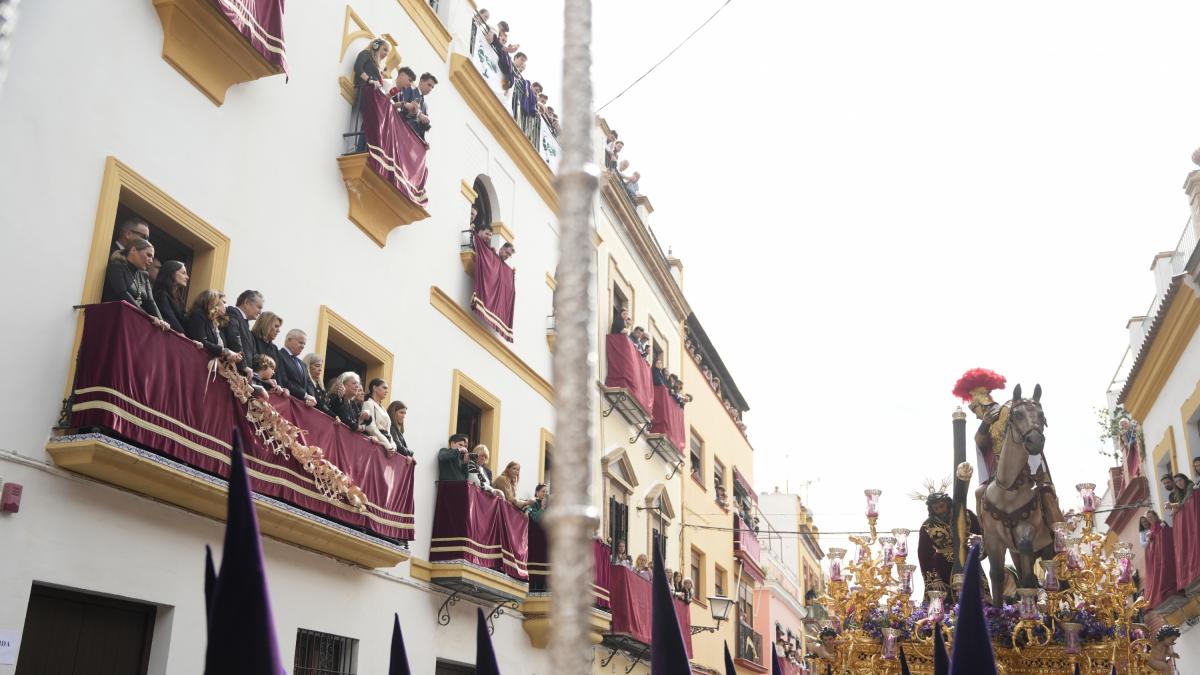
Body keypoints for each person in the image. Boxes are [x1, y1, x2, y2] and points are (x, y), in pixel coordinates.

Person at [916, 486, 982, 597]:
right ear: (931, 510)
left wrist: (978, 539)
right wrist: (935, 578)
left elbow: (982, 534)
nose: (940, 511)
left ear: (948, 503)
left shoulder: (966, 515)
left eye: (942, 506)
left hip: (967, 560)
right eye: (936, 509)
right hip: (942, 567)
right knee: (943, 600)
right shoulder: (927, 526)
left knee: (975, 596)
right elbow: (924, 555)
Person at [104, 239, 165, 323]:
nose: (151, 261)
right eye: (148, 255)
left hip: (133, 321)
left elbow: (151, 302)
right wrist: (146, 317)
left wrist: (162, 321)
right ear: (133, 250)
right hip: (114, 318)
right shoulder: (116, 267)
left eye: (152, 257)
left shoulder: (144, 275)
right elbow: (123, 294)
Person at [349, 38, 391, 153]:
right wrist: (369, 80)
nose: (386, 54)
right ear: (376, 46)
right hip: (365, 91)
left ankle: (363, 147)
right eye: (384, 49)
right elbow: (358, 67)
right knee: (363, 120)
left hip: (373, 97)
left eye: (387, 52)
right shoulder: (365, 54)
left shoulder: (378, 67)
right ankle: (355, 147)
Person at [274, 329, 319, 408]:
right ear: (289, 340)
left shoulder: (302, 364)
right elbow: (284, 381)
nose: (303, 346)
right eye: (300, 342)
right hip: (285, 403)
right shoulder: (279, 354)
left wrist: (311, 397)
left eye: (304, 344)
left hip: (301, 406)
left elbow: (309, 383)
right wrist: (304, 395)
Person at [224, 290, 262, 369]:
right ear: (246, 302)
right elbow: (234, 339)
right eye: (258, 307)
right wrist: (243, 366)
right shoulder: (233, 313)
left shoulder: (245, 323)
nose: (260, 312)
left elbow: (253, 355)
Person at [357, 378, 397, 452]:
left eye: (387, 389)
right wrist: (387, 444)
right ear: (374, 388)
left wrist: (393, 446)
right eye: (384, 388)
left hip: (385, 445)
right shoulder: (368, 404)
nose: (387, 391)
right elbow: (371, 428)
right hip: (374, 446)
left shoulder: (383, 409)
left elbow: (388, 430)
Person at [151, 260, 189, 332]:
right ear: (172, 273)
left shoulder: (179, 299)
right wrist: (183, 335)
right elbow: (170, 319)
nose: (187, 277)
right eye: (183, 273)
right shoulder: (161, 294)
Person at [400, 72, 437, 141]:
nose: (430, 89)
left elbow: (420, 130)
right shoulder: (409, 90)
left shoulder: (425, 106)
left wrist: (425, 125)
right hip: (400, 130)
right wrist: (418, 114)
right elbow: (401, 108)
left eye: (432, 87)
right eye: (429, 85)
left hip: (411, 140)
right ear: (421, 81)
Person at [250, 311, 284, 376]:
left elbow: (278, 373)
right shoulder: (251, 338)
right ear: (266, 324)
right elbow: (252, 363)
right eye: (276, 326)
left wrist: (278, 385)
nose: (278, 331)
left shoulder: (274, 348)